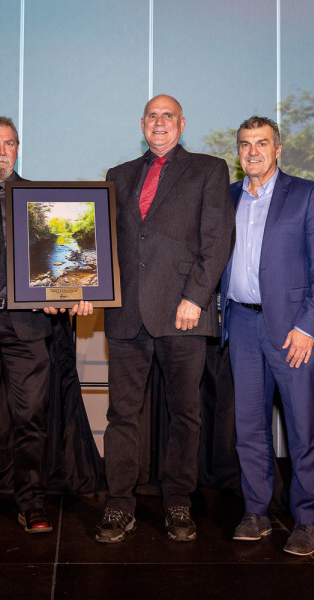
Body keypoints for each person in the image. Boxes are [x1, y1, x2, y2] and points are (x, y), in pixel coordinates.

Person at [95, 95, 235, 543]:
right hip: (125, 315)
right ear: (142, 124)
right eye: (152, 116)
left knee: (185, 415)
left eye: (168, 116)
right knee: (120, 415)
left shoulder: (209, 169)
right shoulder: (118, 176)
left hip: (183, 313)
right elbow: (105, 243)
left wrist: (196, 296)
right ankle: (119, 505)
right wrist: (82, 289)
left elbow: (217, 239)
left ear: (182, 123)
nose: (160, 123)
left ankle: (178, 501)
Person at [0, 114, 91, 535]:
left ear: (17, 149)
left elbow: (64, 262)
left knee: (30, 418)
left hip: (27, 323)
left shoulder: (40, 201)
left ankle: (31, 502)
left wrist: (75, 292)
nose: (2, 151)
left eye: (9, 143)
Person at [220, 116, 314, 556]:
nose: (253, 151)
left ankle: (306, 520)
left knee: (303, 429)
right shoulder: (228, 197)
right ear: (238, 152)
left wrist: (308, 327)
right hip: (243, 326)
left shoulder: (308, 194)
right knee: (249, 429)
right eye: (245, 144)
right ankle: (256, 512)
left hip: (293, 331)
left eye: (262, 143)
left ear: (278, 149)